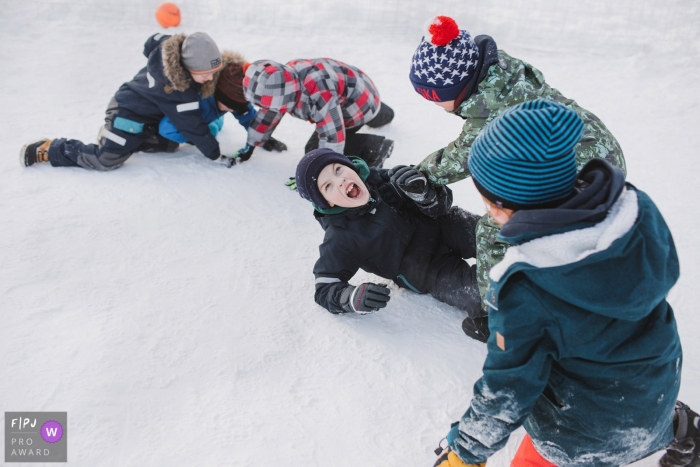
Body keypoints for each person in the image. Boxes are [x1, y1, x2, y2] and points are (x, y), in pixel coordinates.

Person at [431, 99, 696, 467]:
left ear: (505, 205)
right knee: (636, 412)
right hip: (656, 391)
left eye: (488, 200)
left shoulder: (529, 288)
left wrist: (466, 451)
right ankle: (682, 429)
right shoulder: (634, 213)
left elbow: (508, 389)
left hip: (581, 435)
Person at [393, 16, 627, 334]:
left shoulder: (489, 111)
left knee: (492, 233)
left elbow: (464, 156)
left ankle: (498, 314)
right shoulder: (502, 73)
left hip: (573, 170)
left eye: (433, 97)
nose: (433, 104)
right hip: (597, 148)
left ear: (455, 89)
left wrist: (421, 173)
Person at [294, 148, 487, 340]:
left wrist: (425, 194)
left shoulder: (382, 179)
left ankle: (515, 250)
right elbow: (325, 285)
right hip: (425, 270)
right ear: (326, 202)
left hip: (445, 226)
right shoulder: (341, 236)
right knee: (478, 293)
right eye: (328, 186)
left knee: (493, 235)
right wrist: (350, 297)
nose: (340, 180)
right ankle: (502, 309)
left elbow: (441, 202)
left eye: (338, 170)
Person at [21, 32, 231, 170]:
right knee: (105, 160)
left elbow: (152, 42)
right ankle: (49, 149)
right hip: (127, 113)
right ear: (187, 66)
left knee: (169, 146)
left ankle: (123, 139)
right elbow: (192, 126)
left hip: (150, 116)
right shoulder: (179, 91)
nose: (210, 79)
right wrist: (215, 155)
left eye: (213, 72)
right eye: (204, 74)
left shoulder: (168, 53)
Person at [241, 58, 395, 168]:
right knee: (380, 114)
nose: (266, 109)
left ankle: (375, 147)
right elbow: (268, 114)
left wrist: (322, 171)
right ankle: (384, 113)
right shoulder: (284, 77)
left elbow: (332, 136)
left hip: (357, 108)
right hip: (363, 89)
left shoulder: (320, 95)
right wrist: (252, 143)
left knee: (314, 152)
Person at [157, 62, 287, 165]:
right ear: (219, 96)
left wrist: (262, 137)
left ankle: (210, 126)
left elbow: (247, 116)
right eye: (231, 107)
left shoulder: (232, 95)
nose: (232, 110)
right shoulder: (195, 102)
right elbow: (166, 128)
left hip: (209, 118)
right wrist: (200, 140)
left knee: (214, 128)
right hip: (178, 122)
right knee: (178, 134)